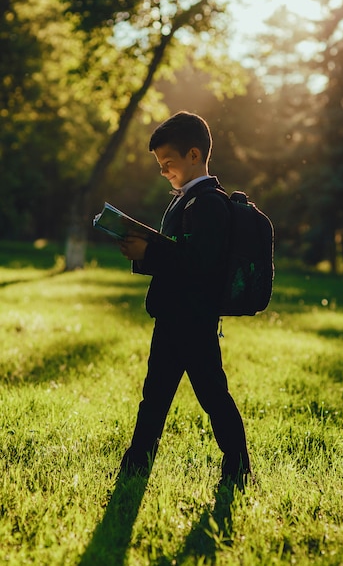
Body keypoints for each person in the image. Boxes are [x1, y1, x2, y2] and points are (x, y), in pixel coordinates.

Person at [118, 111, 251, 486]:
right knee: (154, 395)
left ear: (195, 155)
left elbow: (200, 263)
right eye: (160, 166)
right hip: (172, 316)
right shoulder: (183, 200)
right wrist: (142, 253)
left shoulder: (209, 203)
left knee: (212, 396)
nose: (164, 172)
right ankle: (135, 465)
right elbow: (177, 256)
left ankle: (239, 467)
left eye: (168, 164)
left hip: (195, 319)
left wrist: (151, 252)